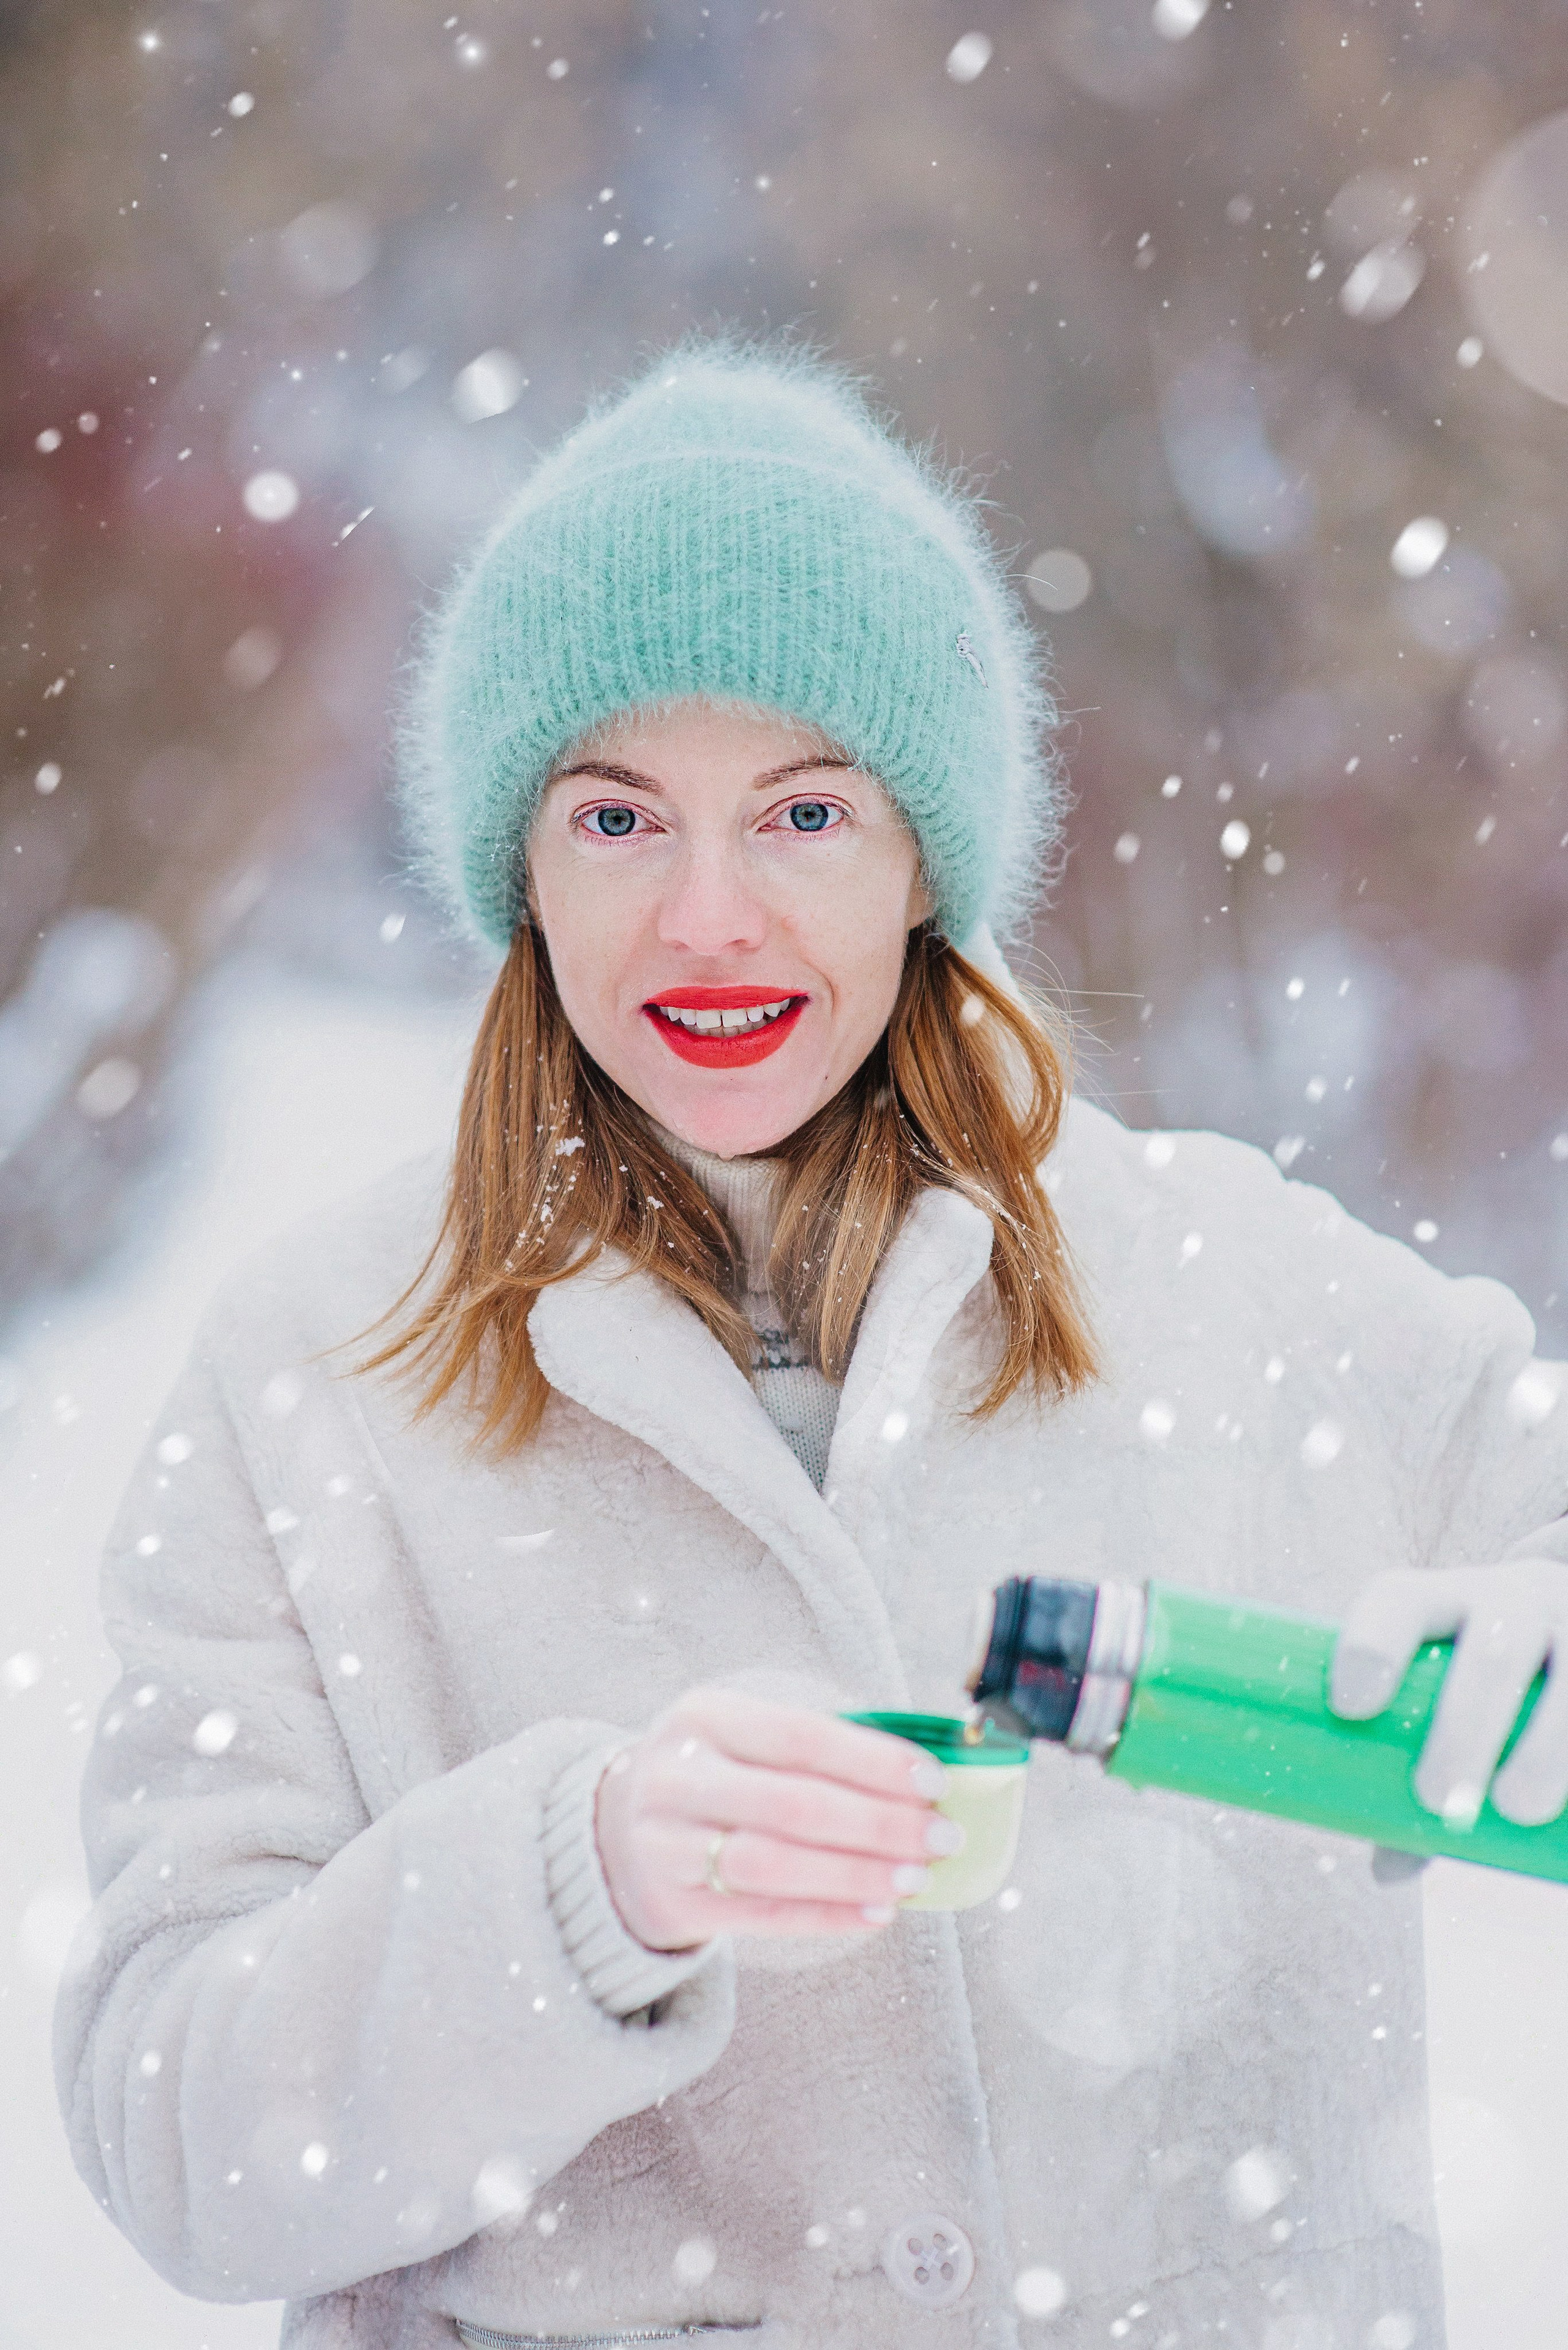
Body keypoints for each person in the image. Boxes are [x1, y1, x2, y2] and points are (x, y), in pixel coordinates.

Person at [56, 343, 1568, 2350]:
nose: (708, 917)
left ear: (924, 855)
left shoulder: (1251, 1291)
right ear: (516, 860)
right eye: (615, 819)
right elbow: (175, 2128)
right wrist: (579, 1885)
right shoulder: (311, 1379)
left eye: (803, 811)